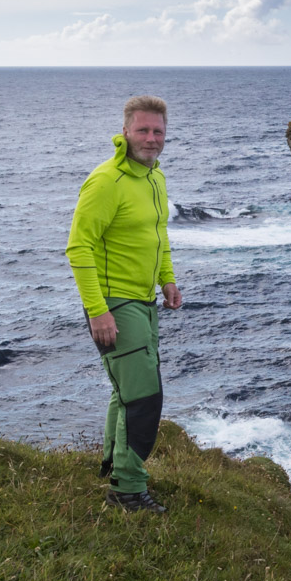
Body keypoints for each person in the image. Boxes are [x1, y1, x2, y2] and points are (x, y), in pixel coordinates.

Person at [66, 95, 182, 514]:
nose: (151, 139)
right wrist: (97, 310)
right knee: (144, 398)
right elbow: (78, 247)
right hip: (114, 302)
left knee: (125, 392)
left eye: (158, 132)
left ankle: (114, 468)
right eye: (143, 130)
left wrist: (166, 278)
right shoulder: (106, 181)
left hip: (143, 299)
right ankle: (127, 492)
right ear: (125, 131)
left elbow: (158, 233)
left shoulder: (155, 179)